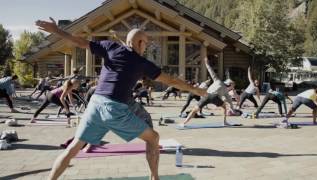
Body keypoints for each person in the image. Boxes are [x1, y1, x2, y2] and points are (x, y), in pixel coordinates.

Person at [36, 18, 206, 180]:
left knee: (73, 149)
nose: (145, 47)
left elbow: (80, 42)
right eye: (145, 43)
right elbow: (171, 80)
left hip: (95, 104)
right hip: (114, 107)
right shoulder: (142, 62)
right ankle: (154, 177)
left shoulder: (110, 47)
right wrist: (196, 89)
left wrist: (56, 30)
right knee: (153, 138)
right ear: (139, 43)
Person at [181, 57, 234, 126]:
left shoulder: (218, 80)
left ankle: (184, 123)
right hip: (215, 97)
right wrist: (232, 109)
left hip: (206, 95)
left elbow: (211, 72)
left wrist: (207, 64)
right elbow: (229, 101)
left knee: (194, 110)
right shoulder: (226, 91)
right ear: (228, 85)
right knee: (224, 107)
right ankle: (224, 122)